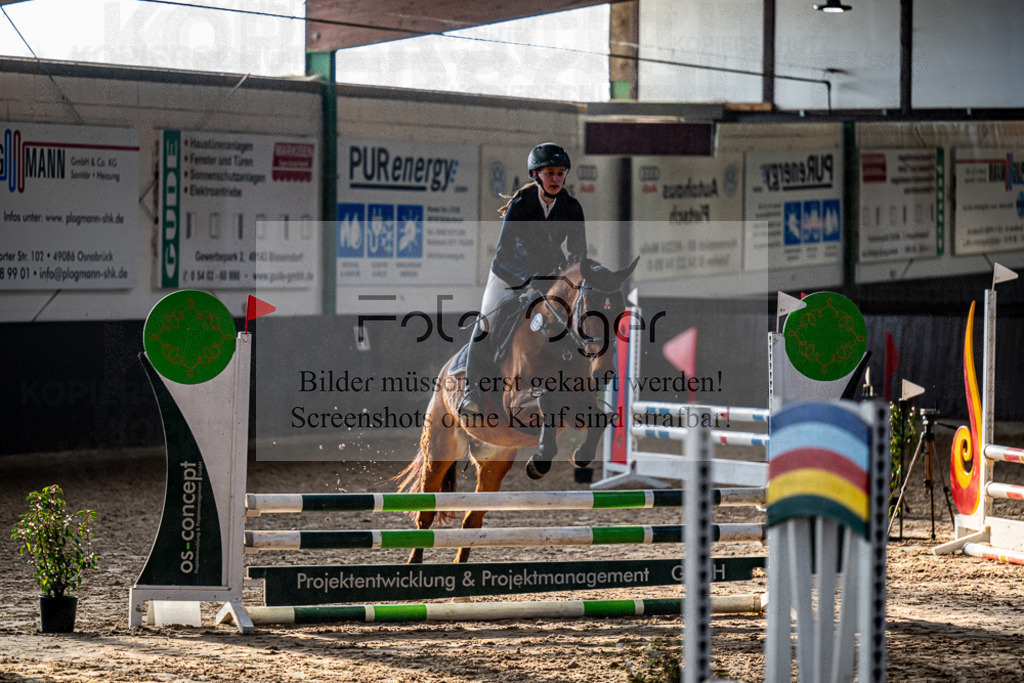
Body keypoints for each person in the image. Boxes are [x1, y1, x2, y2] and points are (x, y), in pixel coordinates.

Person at [458, 142, 588, 418]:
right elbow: (503, 254)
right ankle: (472, 391)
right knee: (486, 320)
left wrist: (570, 277)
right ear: (536, 175)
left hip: (548, 276)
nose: (556, 179)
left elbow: (579, 253)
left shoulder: (572, 207)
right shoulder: (521, 206)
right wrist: (530, 279)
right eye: (550, 173)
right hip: (508, 273)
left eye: (560, 173)